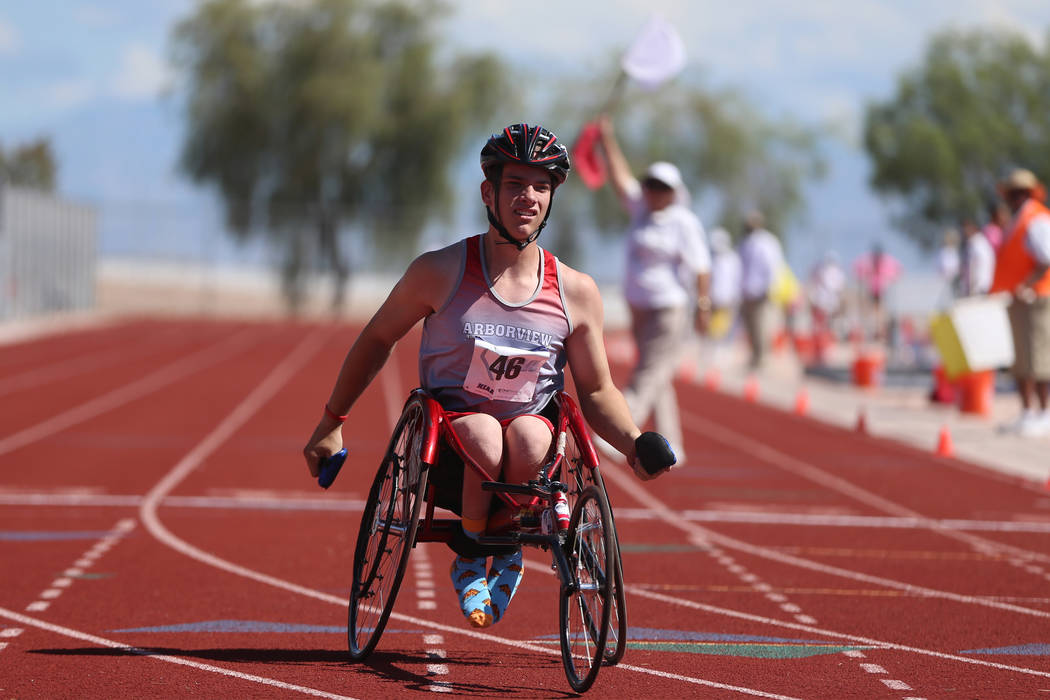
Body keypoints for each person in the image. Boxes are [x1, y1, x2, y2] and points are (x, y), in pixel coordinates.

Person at [302, 123, 673, 630]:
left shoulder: (577, 291)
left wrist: (633, 443)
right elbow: (376, 339)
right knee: (482, 433)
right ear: (488, 192)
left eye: (541, 187)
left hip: (530, 448)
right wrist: (331, 420)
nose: (529, 198)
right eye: (516, 184)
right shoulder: (440, 271)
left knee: (525, 434)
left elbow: (596, 389)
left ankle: (504, 539)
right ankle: (474, 550)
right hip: (451, 453)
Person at [594, 114, 711, 461]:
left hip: (669, 308)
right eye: (650, 184)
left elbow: (702, 267)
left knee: (647, 373)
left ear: (675, 192)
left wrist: (704, 306)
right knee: (658, 373)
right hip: (639, 307)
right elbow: (619, 177)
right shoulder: (640, 209)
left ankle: (619, 432)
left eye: (662, 186)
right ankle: (673, 445)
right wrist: (607, 139)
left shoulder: (684, 222)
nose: (653, 191)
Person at [989, 168, 1050, 437]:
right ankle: (1028, 412)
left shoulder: (1035, 219)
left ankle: (1045, 412)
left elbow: (1046, 257)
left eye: (1016, 193)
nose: (1011, 198)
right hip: (1020, 300)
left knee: (1040, 358)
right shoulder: (1019, 219)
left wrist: (1027, 284)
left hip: (1037, 298)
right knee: (1023, 360)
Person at [737, 211, 784, 369]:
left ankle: (762, 358)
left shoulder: (767, 242)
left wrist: (770, 288)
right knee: (750, 326)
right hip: (747, 291)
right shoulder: (744, 243)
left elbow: (772, 267)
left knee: (761, 325)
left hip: (761, 291)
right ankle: (755, 356)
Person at [852, 242, 901, 342]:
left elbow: (898, 270)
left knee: (879, 313)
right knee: (870, 312)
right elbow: (858, 269)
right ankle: (872, 332)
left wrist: (891, 278)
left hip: (882, 290)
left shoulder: (886, 261)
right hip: (872, 289)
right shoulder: (868, 261)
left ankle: (879, 333)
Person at [806, 251, 846, 365]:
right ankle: (821, 352)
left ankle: (822, 352)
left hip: (824, 304)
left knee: (822, 329)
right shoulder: (833, 272)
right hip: (824, 304)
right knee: (822, 329)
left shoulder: (825, 270)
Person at [708, 227, 741, 341]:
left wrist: (734, 297)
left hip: (727, 300)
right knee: (711, 330)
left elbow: (736, 280)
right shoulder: (709, 258)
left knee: (724, 329)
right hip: (711, 300)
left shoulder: (732, 259)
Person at [959, 217, 995, 296]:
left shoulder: (978, 244)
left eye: (966, 227)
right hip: (977, 290)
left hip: (980, 290)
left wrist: (973, 289)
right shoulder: (973, 244)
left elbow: (978, 269)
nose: (964, 231)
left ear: (973, 227)